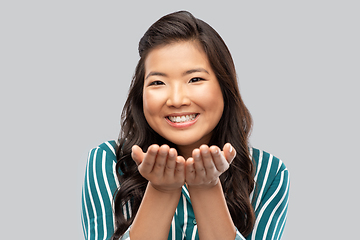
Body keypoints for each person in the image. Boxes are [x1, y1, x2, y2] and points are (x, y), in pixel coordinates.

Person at [81, 10, 289, 240]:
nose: (177, 100)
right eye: (158, 82)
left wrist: (207, 188)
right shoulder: (108, 161)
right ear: (141, 94)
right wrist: (161, 190)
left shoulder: (269, 173)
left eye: (195, 79)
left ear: (224, 87)